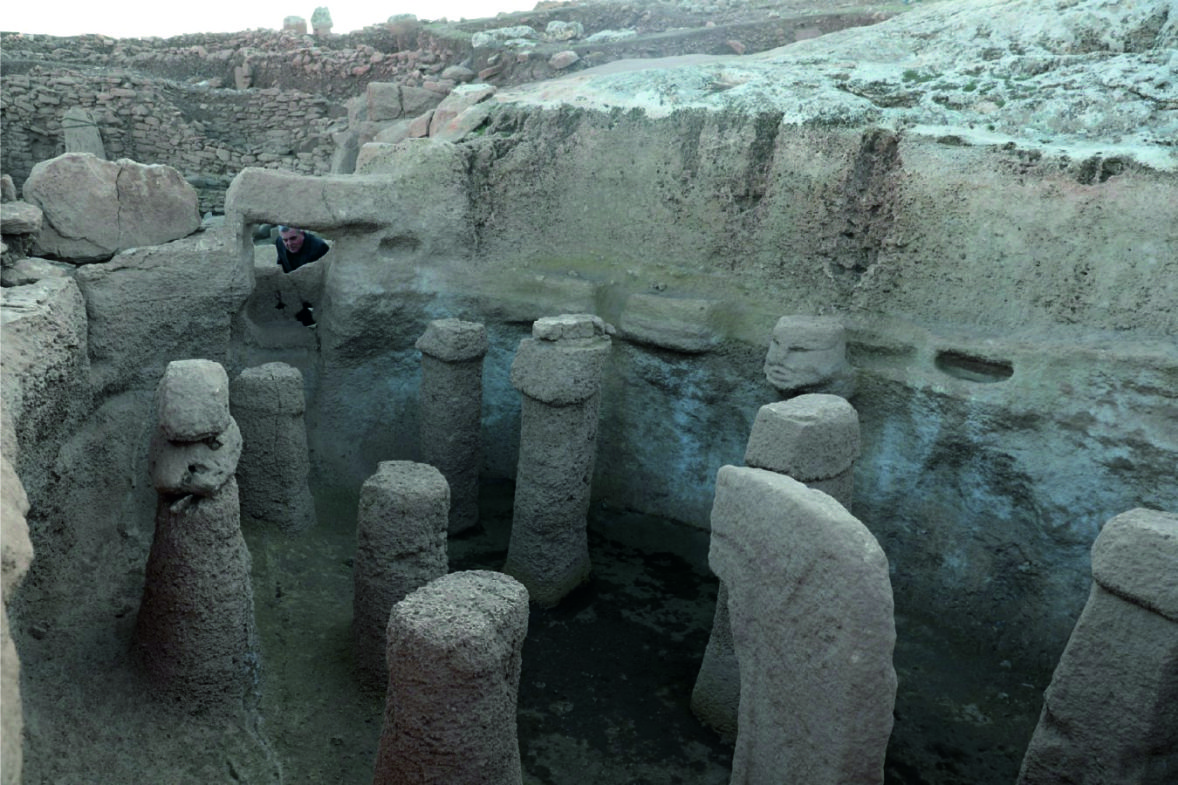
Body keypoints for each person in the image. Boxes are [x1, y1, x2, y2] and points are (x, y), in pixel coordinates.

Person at [274, 226, 329, 326]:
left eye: (293, 238)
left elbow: (324, 280)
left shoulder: (319, 247)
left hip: (312, 291)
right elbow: (280, 264)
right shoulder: (279, 242)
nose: (289, 244)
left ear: (302, 233)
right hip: (290, 287)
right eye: (285, 240)